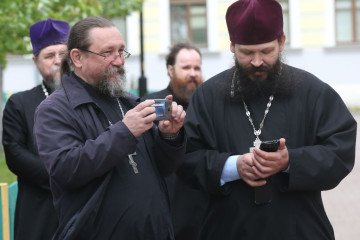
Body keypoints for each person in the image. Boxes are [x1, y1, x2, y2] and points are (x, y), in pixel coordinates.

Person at [178, 0, 357, 240]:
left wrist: (289, 161)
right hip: (227, 230)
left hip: (300, 230)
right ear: (232, 46)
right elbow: (186, 158)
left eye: (266, 51)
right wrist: (232, 166)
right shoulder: (208, 96)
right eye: (247, 52)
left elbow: (339, 152)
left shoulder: (313, 91)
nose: (257, 61)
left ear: (281, 42)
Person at [33, 16, 186, 240]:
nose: (119, 61)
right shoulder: (54, 109)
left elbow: (164, 168)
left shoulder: (128, 101)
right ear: (77, 57)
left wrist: (170, 136)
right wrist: (125, 132)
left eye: (121, 51)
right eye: (107, 53)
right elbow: (66, 170)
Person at [2, 18, 70, 240]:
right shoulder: (20, 103)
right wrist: (66, 176)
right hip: (40, 210)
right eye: (49, 56)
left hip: (86, 207)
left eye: (63, 54)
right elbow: (14, 152)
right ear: (35, 61)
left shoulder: (90, 98)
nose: (58, 61)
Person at [143, 42, 205, 240]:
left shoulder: (207, 105)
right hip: (169, 204)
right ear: (170, 70)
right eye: (186, 67)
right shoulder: (154, 104)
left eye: (196, 68)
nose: (193, 73)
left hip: (204, 205)